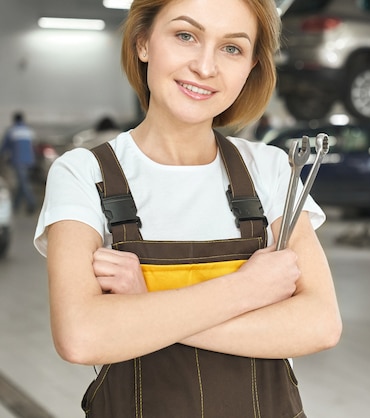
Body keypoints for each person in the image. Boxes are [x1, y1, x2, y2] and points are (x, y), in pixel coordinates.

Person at [33, 0, 342, 416]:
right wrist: (247, 290)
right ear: (143, 42)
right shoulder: (84, 174)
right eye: (185, 36)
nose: (205, 66)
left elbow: (320, 324)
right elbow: (82, 336)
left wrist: (144, 303)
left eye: (231, 48)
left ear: (251, 65)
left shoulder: (268, 170)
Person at [1, 111, 36, 214]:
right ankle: (15, 206)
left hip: (18, 160)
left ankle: (32, 203)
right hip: (30, 161)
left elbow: (4, 147)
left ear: (14, 120)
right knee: (22, 183)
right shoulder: (28, 130)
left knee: (23, 183)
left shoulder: (12, 131)